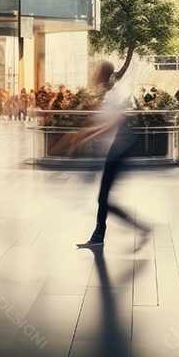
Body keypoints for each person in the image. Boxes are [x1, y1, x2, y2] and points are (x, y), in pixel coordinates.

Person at [72, 61, 151, 249]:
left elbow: (116, 121)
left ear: (103, 74)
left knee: (103, 198)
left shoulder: (117, 93)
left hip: (119, 150)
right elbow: (105, 117)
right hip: (114, 150)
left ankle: (134, 229)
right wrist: (87, 130)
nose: (95, 74)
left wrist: (88, 135)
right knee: (104, 198)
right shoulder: (110, 94)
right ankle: (101, 235)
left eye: (97, 71)